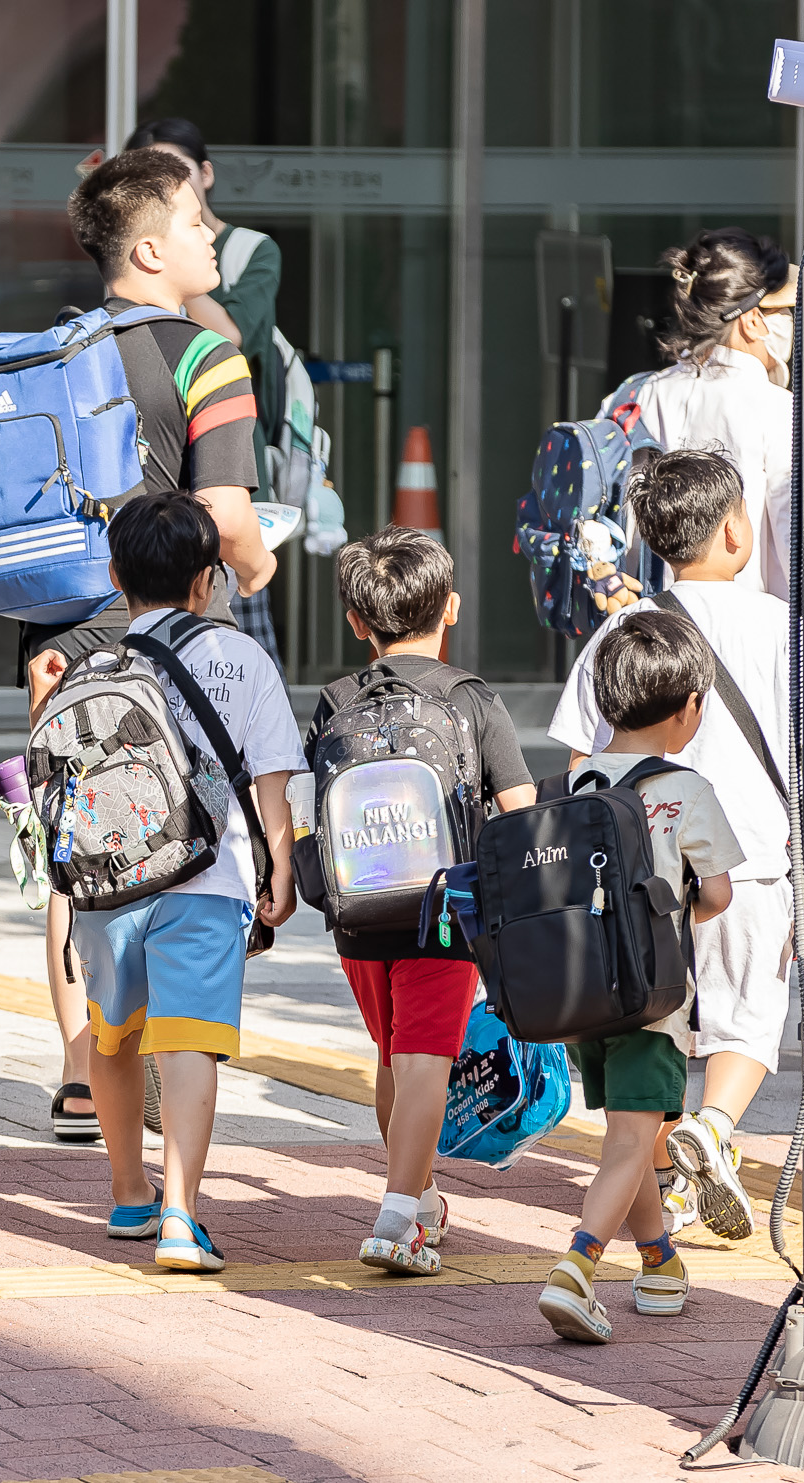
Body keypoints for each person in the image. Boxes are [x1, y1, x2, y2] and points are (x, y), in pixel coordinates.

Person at [30, 147, 282, 1148]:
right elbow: (224, 509)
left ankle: (83, 1069)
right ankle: (166, 1063)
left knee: (73, 839)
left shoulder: (54, 346)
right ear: (147, 247)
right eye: (193, 223)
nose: (210, 235)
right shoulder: (205, 352)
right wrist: (257, 566)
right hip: (172, 630)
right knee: (180, 842)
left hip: (62, 630)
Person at [26, 491, 300, 1273]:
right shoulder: (243, 659)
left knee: (113, 1037)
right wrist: (281, 870)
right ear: (208, 580)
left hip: (108, 885)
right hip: (208, 878)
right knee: (188, 1045)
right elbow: (273, 783)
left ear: (116, 576)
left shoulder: (87, 661)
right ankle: (181, 1215)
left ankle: (126, 1191)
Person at [549, 451, 791, 1245]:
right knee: (748, 1024)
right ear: (735, 527)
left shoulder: (624, 626)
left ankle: (667, 1186)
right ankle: (714, 1128)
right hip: (747, 865)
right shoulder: (782, 625)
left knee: (659, 1033)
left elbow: (580, 762)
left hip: (642, 879)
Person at [310, 527, 535, 1274]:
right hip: (444, 912)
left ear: (357, 621)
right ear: (452, 608)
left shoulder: (335, 699)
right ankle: (397, 1216)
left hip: (359, 917)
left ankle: (422, 1196)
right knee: (425, 1064)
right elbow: (519, 805)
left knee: (395, 1059)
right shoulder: (471, 698)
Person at [537, 611, 742, 1345]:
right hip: (651, 999)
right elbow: (716, 895)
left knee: (640, 1131)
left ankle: (658, 1263)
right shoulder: (687, 788)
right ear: (688, 709)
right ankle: (575, 1267)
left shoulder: (574, 779)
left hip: (579, 996)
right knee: (630, 1142)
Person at [124, 116, 284, 663]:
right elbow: (228, 520)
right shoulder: (145, 278)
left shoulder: (248, 251)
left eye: (181, 171)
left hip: (225, 459)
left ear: (207, 173)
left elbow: (234, 337)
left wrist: (178, 276)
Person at [602, 229, 796, 600]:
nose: (790, 320)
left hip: (646, 632)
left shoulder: (633, 397)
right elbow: (798, 549)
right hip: (746, 637)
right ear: (753, 320)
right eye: (784, 310)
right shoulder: (776, 409)